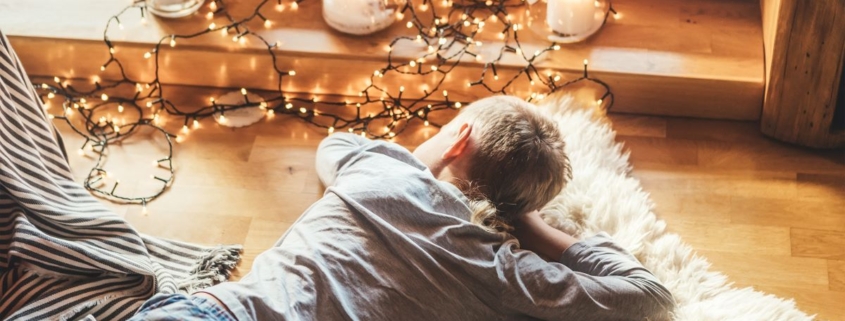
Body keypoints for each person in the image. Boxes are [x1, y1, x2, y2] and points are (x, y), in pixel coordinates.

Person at [129, 96, 675, 321]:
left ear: (457, 138)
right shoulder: (499, 270)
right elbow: (648, 295)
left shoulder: (380, 169)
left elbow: (332, 146)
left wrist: (423, 159)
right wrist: (525, 222)